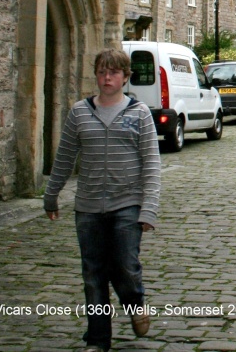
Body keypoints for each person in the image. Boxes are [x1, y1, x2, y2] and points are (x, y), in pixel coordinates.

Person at [44, 48, 161, 352]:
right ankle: (97, 340)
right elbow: (65, 157)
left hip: (127, 204)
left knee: (125, 266)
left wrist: (149, 209)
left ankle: (135, 303)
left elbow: (151, 163)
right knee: (94, 275)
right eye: (101, 71)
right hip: (89, 207)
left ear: (125, 77)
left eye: (113, 72)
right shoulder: (80, 112)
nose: (107, 77)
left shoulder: (139, 114)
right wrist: (51, 195)